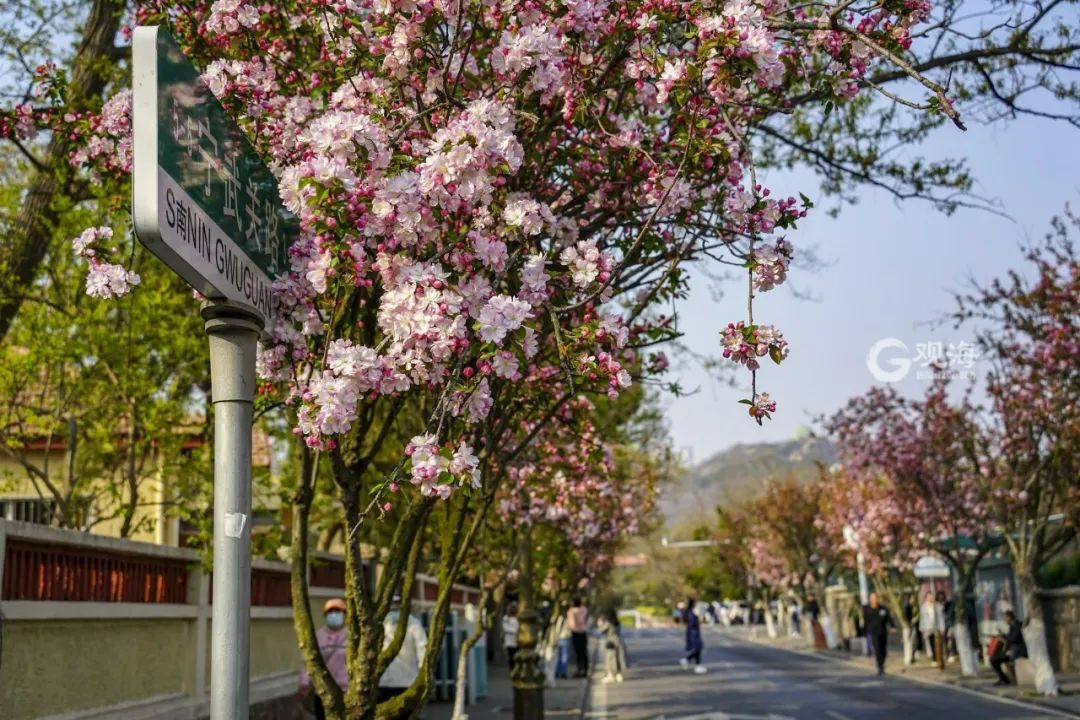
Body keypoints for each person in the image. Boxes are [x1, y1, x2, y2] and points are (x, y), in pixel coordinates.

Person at [298, 598, 349, 720]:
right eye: (330, 612)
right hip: (322, 691)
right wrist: (304, 682)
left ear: (345, 614)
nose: (334, 614)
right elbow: (308, 661)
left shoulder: (352, 636)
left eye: (337, 611)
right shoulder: (318, 636)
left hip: (346, 691)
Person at [379, 595, 428, 706]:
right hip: (386, 682)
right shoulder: (381, 623)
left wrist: (422, 674)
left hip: (406, 681)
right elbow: (423, 650)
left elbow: (422, 650)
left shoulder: (413, 624)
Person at [990, 610, 1028, 686]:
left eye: (1005, 618)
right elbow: (1009, 639)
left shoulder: (1017, 625)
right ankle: (1003, 678)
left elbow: (1014, 638)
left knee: (994, 660)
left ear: (1010, 617)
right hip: (1013, 651)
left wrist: (1004, 637)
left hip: (1018, 651)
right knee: (994, 658)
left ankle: (1004, 679)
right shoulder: (1012, 626)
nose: (1005, 620)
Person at [862, 592, 895, 675]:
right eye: (872, 598)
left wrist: (892, 626)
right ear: (870, 599)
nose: (874, 600)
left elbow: (889, 619)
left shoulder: (883, 609)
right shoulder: (866, 609)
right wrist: (864, 631)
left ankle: (882, 663)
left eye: (875, 598)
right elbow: (865, 621)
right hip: (873, 632)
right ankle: (880, 667)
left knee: (883, 650)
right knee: (877, 650)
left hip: (883, 632)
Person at [679, 597, 707, 674]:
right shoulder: (691, 612)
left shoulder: (689, 611)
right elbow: (692, 623)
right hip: (693, 633)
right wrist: (699, 621)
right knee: (698, 648)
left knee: (698, 649)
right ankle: (692, 663)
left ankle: (690, 662)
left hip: (693, 632)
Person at [599, 609, 627, 683]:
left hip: (611, 641)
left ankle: (610, 675)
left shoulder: (608, 623)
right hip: (619, 641)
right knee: (619, 658)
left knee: (610, 659)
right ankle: (619, 675)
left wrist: (600, 623)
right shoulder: (617, 622)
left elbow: (602, 630)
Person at [919, 590, 944, 666]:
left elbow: (941, 617)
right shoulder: (923, 607)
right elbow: (922, 618)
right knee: (932, 643)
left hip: (937, 627)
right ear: (926, 598)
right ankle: (934, 659)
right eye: (928, 597)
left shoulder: (938, 606)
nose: (930, 598)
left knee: (939, 644)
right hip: (928, 628)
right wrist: (922, 628)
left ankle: (940, 659)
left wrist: (942, 627)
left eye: (931, 596)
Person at [568, 596, 589, 677]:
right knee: (584, 652)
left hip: (575, 632)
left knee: (577, 653)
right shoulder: (584, 609)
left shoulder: (571, 611)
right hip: (583, 632)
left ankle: (580, 669)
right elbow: (585, 619)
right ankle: (585, 669)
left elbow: (572, 624)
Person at [503, 603, 520, 670]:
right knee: (511, 657)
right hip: (509, 642)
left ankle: (516, 669)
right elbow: (505, 628)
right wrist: (515, 631)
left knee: (517, 657)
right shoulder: (506, 618)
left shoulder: (518, 618)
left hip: (517, 641)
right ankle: (512, 670)